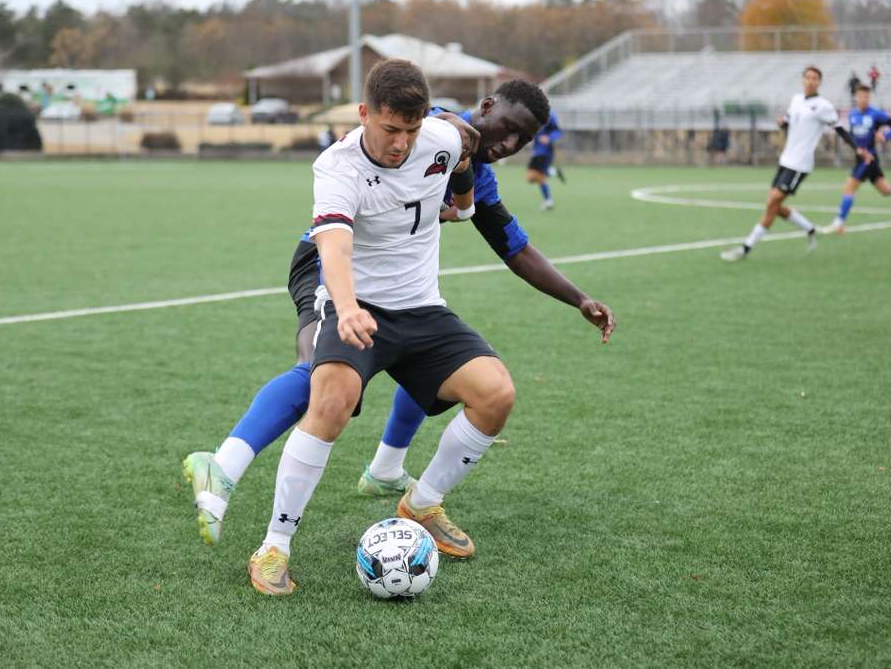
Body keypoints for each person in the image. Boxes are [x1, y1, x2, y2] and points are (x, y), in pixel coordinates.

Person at [182, 79, 615, 555]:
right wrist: (345, 306)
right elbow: (429, 123)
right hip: (328, 260)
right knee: (322, 378)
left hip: (401, 285)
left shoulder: (475, 169)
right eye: (506, 128)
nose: (509, 145)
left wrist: (578, 298)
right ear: (485, 106)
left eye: (523, 140)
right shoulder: (423, 126)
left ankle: (388, 469)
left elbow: (512, 246)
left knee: (423, 354)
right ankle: (224, 463)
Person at [247, 58, 511, 595]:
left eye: (411, 131)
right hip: (357, 306)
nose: (402, 143)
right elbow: (334, 246)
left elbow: (463, 190)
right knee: (331, 401)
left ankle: (422, 502)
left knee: (496, 394)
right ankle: (274, 546)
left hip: (422, 308)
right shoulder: (337, 166)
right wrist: (345, 307)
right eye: (391, 129)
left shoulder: (439, 137)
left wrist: (462, 182)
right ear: (365, 114)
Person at [721, 66, 868, 262]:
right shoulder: (796, 99)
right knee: (773, 204)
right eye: (807, 77)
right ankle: (810, 229)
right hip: (785, 160)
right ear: (802, 80)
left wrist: (856, 148)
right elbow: (788, 123)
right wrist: (782, 123)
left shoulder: (823, 106)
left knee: (772, 202)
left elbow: (840, 129)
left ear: (819, 82)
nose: (810, 81)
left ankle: (746, 248)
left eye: (815, 78)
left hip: (800, 164)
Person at [822, 84, 891, 235]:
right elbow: (853, 135)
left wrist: (886, 136)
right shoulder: (853, 115)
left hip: (869, 158)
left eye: (866, 96)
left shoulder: (876, 114)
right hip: (860, 158)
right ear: (856, 97)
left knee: (849, 188)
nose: (863, 99)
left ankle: (838, 223)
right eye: (860, 96)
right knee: (886, 190)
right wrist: (854, 146)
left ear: (869, 97)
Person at [526, 109, 563, 210]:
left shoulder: (551, 115)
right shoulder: (532, 113)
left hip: (545, 152)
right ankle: (554, 172)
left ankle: (548, 201)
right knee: (532, 177)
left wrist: (549, 138)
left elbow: (558, 131)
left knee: (535, 175)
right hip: (536, 151)